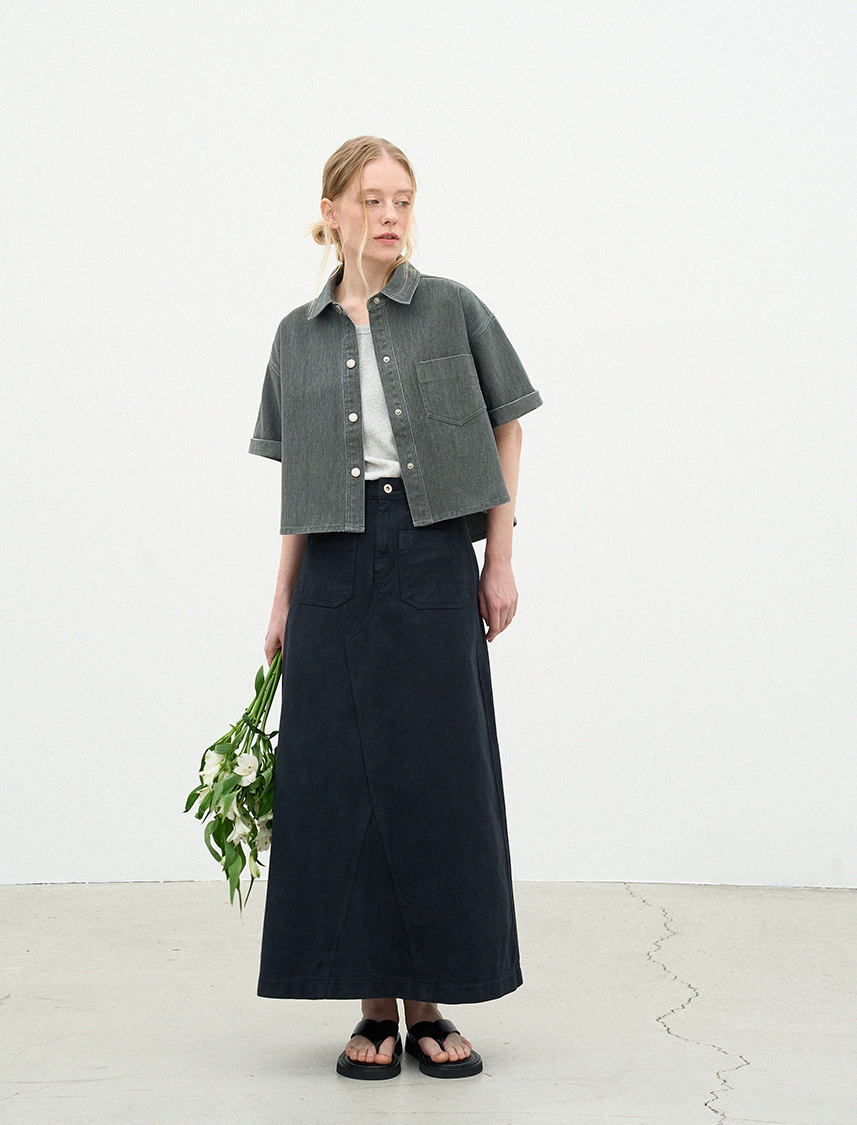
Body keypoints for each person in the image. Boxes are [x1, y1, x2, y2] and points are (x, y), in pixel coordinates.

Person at [249, 136, 542, 1080]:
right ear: (332, 211)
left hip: (431, 553)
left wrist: (499, 557)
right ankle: (374, 1007)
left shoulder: (451, 307)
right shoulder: (296, 335)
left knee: (439, 779)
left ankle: (430, 1004)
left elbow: (508, 423)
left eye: (403, 199)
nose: (390, 215)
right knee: (341, 786)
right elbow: (298, 481)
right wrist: (282, 597)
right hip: (333, 565)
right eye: (371, 199)